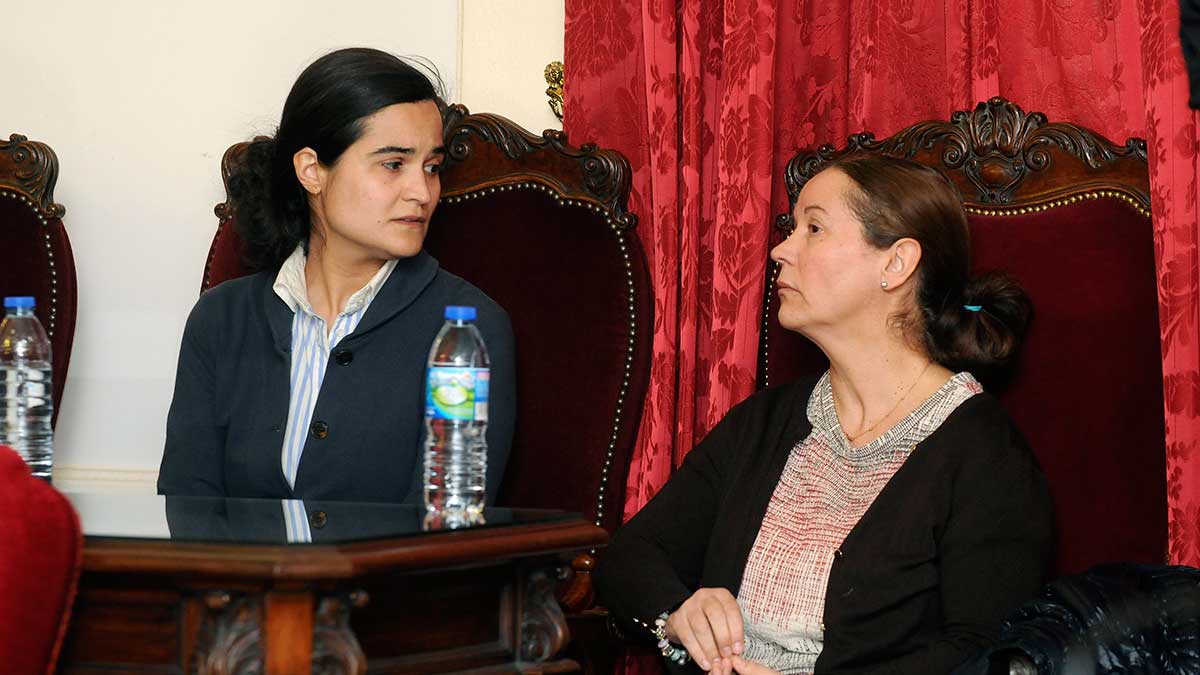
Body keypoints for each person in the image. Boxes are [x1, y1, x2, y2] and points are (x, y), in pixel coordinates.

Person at [594, 156, 1054, 675]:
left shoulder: (984, 455)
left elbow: (982, 653)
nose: (780, 250)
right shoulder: (766, 422)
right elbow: (630, 556)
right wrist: (678, 613)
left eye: (814, 228)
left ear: (895, 264)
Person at [157, 48, 515, 505]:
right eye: (393, 164)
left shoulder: (468, 331)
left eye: (432, 167)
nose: (422, 192)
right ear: (312, 171)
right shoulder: (220, 319)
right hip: (234, 579)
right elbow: (187, 507)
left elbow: (447, 528)